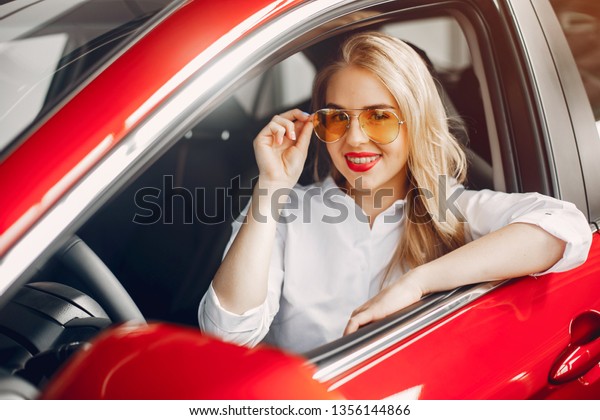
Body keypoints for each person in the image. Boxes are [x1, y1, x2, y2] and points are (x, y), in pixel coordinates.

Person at [198, 32, 592, 354]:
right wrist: (271, 187)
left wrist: (416, 283)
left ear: (415, 124)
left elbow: (565, 228)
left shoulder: (450, 206)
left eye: (379, 117)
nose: (354, 139)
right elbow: (228, 336)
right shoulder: (286, 213)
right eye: (337, 118)